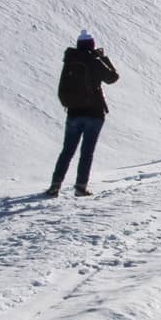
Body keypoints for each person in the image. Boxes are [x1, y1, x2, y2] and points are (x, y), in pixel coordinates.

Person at [45, 31, 119, 197]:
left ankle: (55, 186)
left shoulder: (70, 60)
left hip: (73, 113)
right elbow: (112, 77)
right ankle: (80, 187)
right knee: (87, 152)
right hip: (94, 114)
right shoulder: (94, 61)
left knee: (67, 151)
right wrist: (103, 58)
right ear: (92, 45)